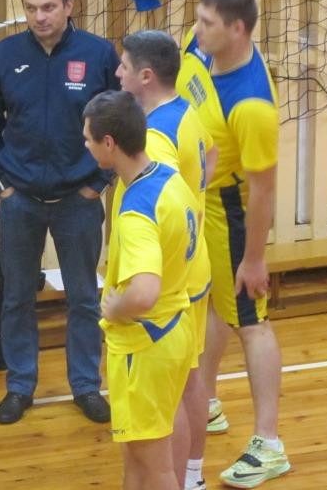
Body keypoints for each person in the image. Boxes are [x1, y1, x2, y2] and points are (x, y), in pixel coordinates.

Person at [0, 0, 118, 425]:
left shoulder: (98, 54)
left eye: (49, 7)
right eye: (31, 8)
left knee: (84, 298)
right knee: (16, 297)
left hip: (80, 200)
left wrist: (99, 182)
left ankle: (86, 386)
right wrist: (2, 181)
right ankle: (20, 386)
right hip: (20, 201)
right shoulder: (5, 55)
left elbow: (120, 122)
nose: (39, 16)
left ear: (69, 6)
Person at [188, 0, 290, 488]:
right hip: (201, 203)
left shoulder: (252, 106)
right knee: (213, 305)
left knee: (251, 321)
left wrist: (253, 260)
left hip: (232, 214)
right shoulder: (201, 46)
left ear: (238, 30)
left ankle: (269, 444)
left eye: (207, 23)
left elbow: (263, 192)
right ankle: (205, 400)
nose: (196, 28)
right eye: (199, 18)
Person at [116, 30, 217, 490]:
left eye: (123, 66)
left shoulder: (154, 137)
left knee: (169, 394)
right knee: (189, 378)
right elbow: (211, 153)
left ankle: (175, 478)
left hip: (172, 281)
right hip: (195, 266)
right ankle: (191, 473)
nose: (117, 72)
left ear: (145, 76)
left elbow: (159, 206)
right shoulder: (185, 111)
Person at [82, 90, 198, 490]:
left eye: (88, 138)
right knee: (136, 455)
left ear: (108, 143)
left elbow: (145, 291)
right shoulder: (170, 178)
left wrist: (115, 309)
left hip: (144, 345)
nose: (85, 144)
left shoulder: (136, 211)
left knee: (157, 468)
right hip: (175, 328)